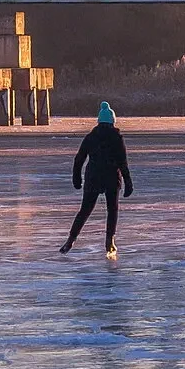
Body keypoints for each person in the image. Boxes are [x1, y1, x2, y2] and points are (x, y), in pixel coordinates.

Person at [62, 101, 132, 259]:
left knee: (85, 211)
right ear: (112, 121)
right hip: (111, 177)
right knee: (112, 210)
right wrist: (128, 183)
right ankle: (110, 241)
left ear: (99, 121)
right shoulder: (116, 137)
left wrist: (76, 178)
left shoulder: (91, 137)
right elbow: (123, 162)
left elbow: (79, 159)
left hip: (93, 176)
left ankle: (70, 240)